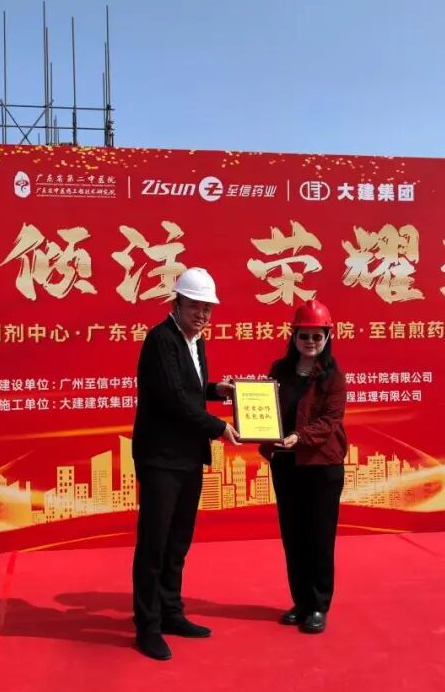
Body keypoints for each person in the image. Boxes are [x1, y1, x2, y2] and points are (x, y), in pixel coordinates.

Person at [131, 267, 240, 661]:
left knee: (178, 541)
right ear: (177, 303)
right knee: (155, 543)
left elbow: (190, 390)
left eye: (208, 308)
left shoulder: (196, 341)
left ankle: (171, 613)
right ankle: (147, 625)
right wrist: (218, 427)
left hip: (188, 456)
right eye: (195, 306)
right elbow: (174, 399)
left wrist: (217, 390)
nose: (202, 314)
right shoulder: (161, 340)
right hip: (161, 459)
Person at [258, 300, 347, 634]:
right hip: (287, 465)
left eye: (317, 336)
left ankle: (319, 605)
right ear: (293, 336)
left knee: (319, 538)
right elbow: (265, 408)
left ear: (327, 337)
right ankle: (301, 602)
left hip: (322, 466)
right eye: (304, 335)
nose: (310, 342)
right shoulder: (279, 371)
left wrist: (299, 437)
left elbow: (330, 420)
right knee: (293, 536)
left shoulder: (334, 377)